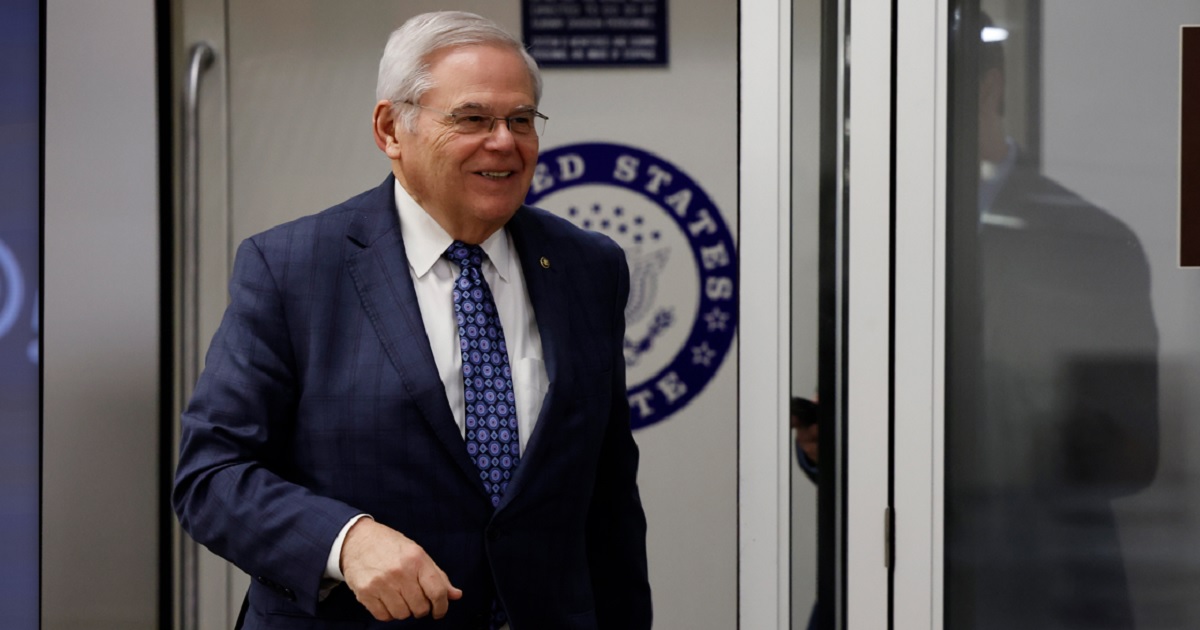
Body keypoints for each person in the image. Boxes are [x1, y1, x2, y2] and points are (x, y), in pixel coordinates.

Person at [172, 11, 652, 630]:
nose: (505, 142)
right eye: (473, 119)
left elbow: (610, 501)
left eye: (522, 120)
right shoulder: (292, 267)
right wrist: (345, 543)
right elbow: (212, 477)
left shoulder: (589, 267)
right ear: (390, 129)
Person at [945, 12, 1158, 629]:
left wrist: (1012, 409)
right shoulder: (875, 243)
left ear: (987, 90)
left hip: (1039, 592)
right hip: (892, 580)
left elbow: (1131, 454)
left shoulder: (1092, 243)